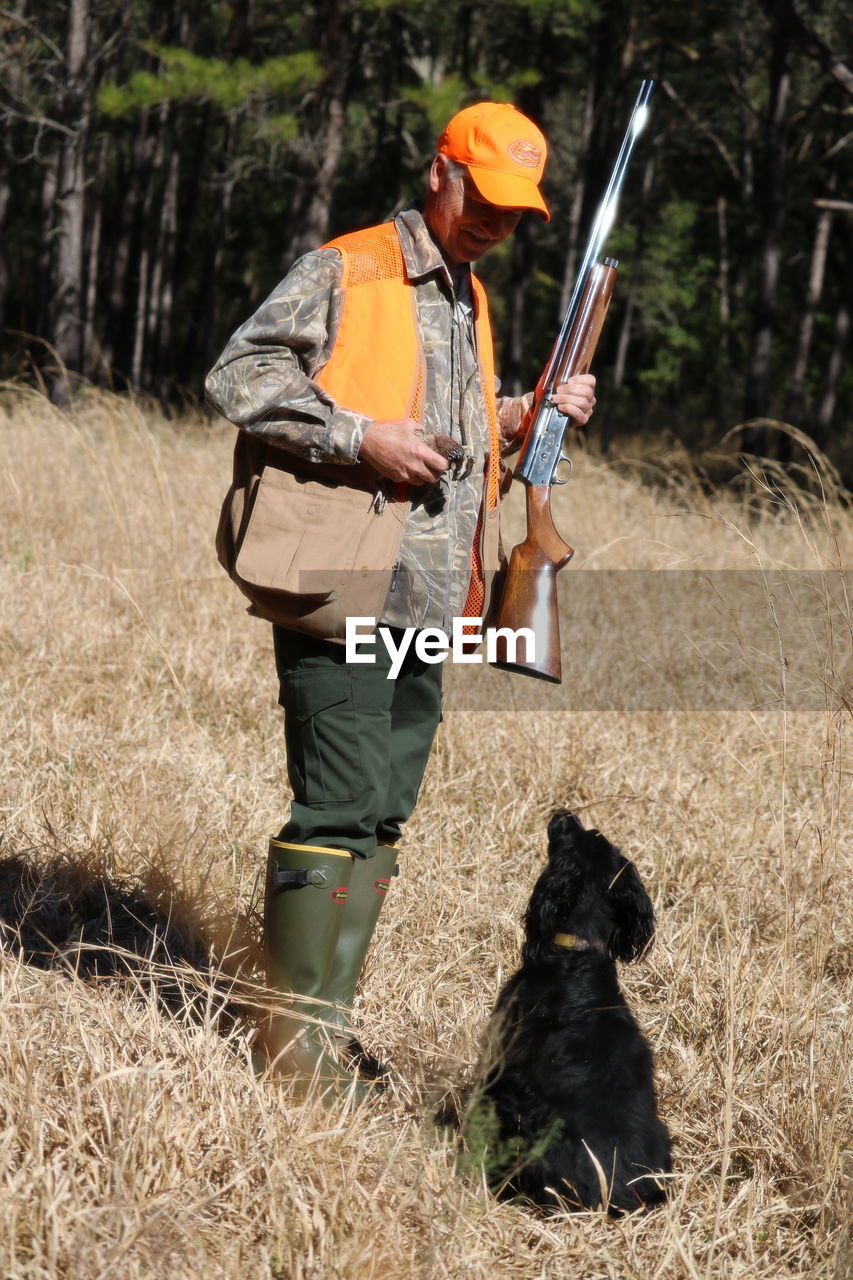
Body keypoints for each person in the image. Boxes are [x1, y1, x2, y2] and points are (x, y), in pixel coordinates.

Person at [205, 101, 596, 1097]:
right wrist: (356, 436)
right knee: (335, 804)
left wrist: (526, 412)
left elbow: (453, 438)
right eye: (485, 200)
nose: (496, 225)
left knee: (380, 813)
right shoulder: (354, 266)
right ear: (440, 173)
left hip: (427, 600)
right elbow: (239, 371)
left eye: (516, 214)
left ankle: (324, 1031)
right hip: (345, 586)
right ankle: (291, 1057)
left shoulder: (467, 295)